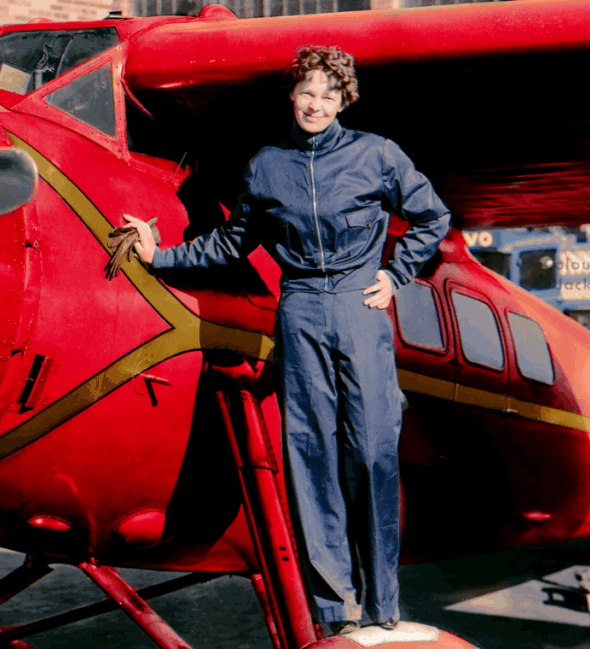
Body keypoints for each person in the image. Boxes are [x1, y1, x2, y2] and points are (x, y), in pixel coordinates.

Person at [122, 45, 451, 635]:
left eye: (328, 95)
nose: (316, 105)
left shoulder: (377, 154)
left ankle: (383, 604)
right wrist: (159, 256)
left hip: (359, 306)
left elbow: (433, 217)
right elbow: (232, 242)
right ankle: (336, 609)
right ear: (292, 96)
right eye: (307, 93)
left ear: (343, 100)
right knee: (310, 455)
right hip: (299, 310)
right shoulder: (267, 165)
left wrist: (396, 275)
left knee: (372, 450)